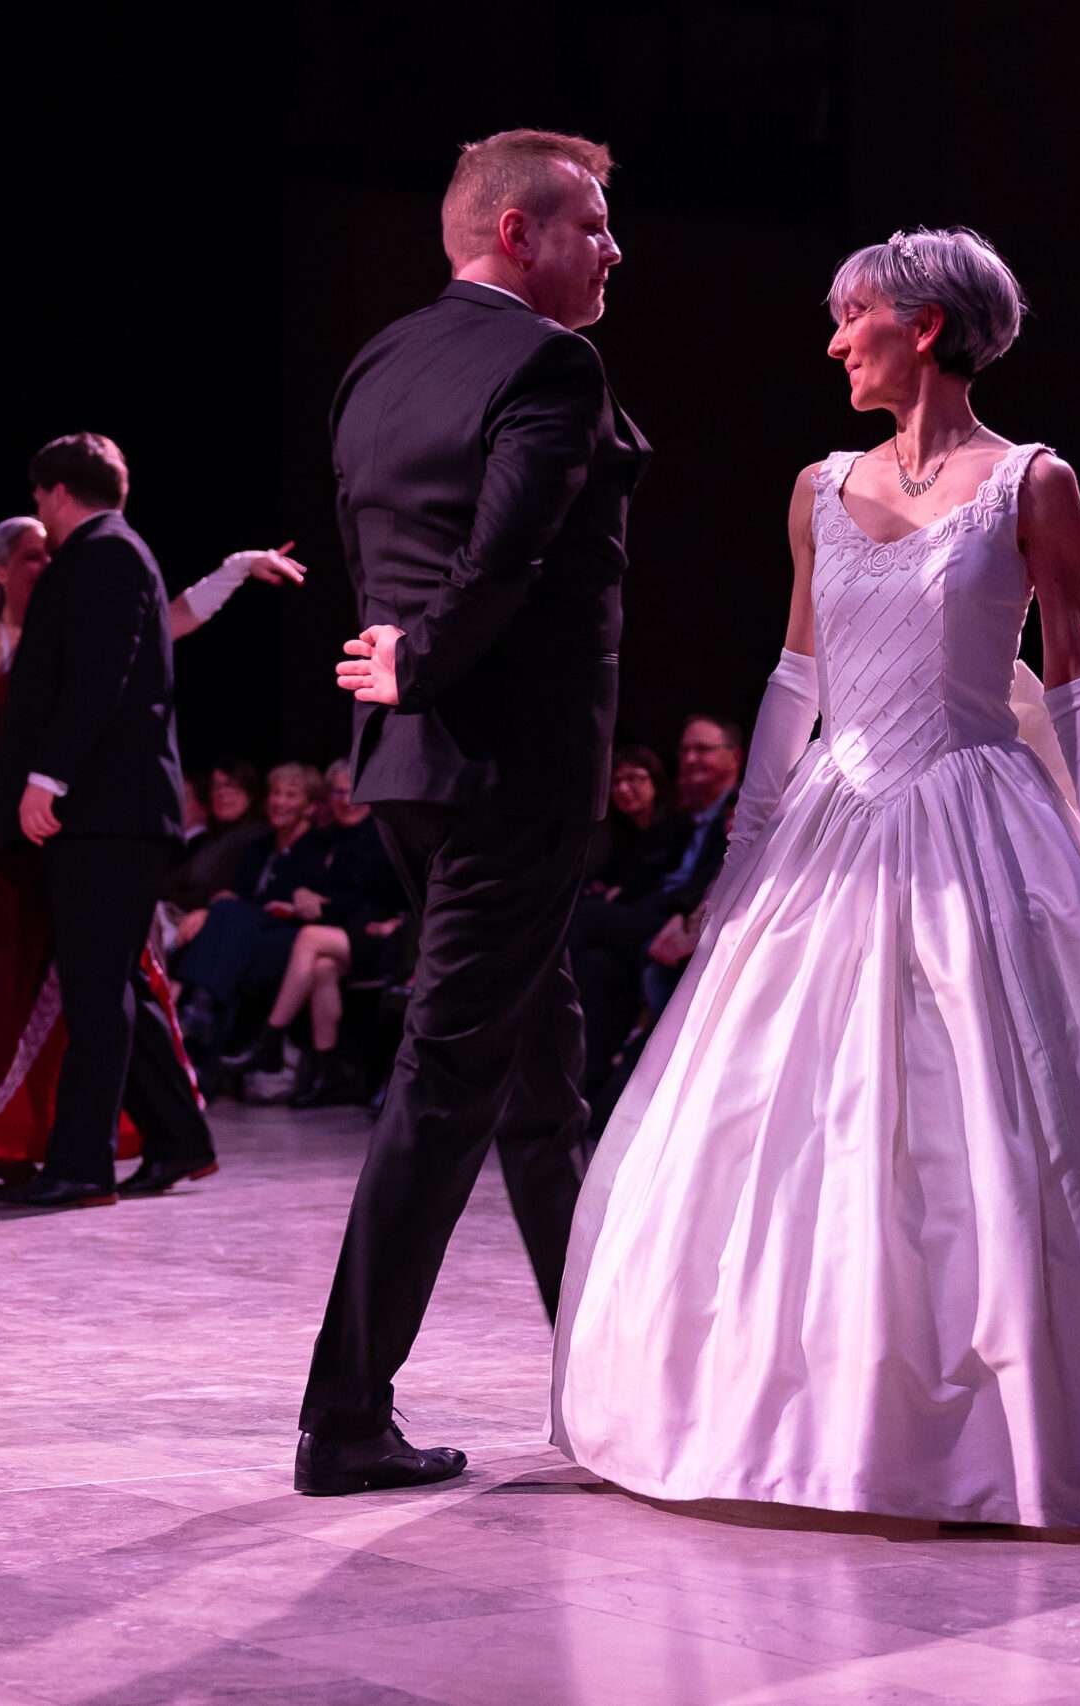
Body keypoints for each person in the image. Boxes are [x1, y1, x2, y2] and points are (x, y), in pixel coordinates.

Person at [552, 227, 1080, 1528]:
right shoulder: (817, 486)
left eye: (856, 316)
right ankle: (795, 1415)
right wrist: (744, 855)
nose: (837, 340)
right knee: (801, 1109)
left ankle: (998, 1417)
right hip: (837, 820)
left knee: (991, 1113)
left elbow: (1070, 677)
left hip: (972, 809)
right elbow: (796, 679)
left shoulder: (1032, 481)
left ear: (927, 325)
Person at [300, 129, 648, 1497]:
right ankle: (344, 1415)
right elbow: (507, 547)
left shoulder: (380, 360)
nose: (613, 249)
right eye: (594, 226)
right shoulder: (550, 364)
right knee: (446, 1085)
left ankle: (610, 1380)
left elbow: (376, 547)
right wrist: (429, 658)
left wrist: (402, 670)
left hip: (408, 772)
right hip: (510, 779)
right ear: (519, 234)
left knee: (540, 1083)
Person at [0, 510, 294, 1179]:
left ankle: (153, 1143)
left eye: (52, 553)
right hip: (15, 851)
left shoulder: (81, 628)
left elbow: (173, 620)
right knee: (13, 999)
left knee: (109, 990)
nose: (49, 565)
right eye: (33, 556)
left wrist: (235, 570)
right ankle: (23, 1144)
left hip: (86, 837)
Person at [0, 433, 224, 1207]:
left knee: (96, 991)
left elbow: (100, 678)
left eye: (39, 496)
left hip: (107, 811)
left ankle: (82, 1166)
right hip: (112, 811)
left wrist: (47, 777)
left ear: (59, 492)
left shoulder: (106, 555)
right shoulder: (111, 553)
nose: (39, 509)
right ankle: (180, 1140)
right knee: (112, 979)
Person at [567, 714, 741, 1099]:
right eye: (685, 751)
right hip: (657, 921)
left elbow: (712, 881)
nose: (690, 759)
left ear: (735, 756)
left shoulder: (742, 811)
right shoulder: (691, 818)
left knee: (582, 918)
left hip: (694, 927)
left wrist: (682, 917)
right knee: (597, 966)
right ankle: (584, 1094)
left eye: (702, 749)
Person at [232, 760, 412, 1108]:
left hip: (382, 935)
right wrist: (304, 896)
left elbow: (374, 897)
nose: (346, 800)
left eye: (352, 792)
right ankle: (330, 1074)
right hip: (344, 934)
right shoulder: (331, 839)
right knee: (321, 968)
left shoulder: (381, 836)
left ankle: (270, 1037)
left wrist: (395, 920)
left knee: (310, 939)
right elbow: (322, 892)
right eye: (338, 792)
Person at [171, 761, 333, 1062]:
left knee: (227, 919)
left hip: (287, 939)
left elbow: (299, 906)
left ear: (310, 806)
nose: (279, 802)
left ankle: (194, 1008)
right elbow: (237, 894)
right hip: (243, 934)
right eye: (275, 793)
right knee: (222, 919)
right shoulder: (259, 846)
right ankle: (197, 1020)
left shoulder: (318, 850)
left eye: (290, 795)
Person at [166, 758, 269, 911]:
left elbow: (216, 893)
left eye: (230, 785)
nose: (222, 793)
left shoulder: (255, 836)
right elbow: (173, 880)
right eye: (216, 787)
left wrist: (173, 899)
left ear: (250, 793)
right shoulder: (212, 838)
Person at [586, 743, 665, 891]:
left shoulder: (676, 830)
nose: (622, 789)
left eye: (632, 778)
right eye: (616, 782)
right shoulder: (621, 833)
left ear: (655, 781)